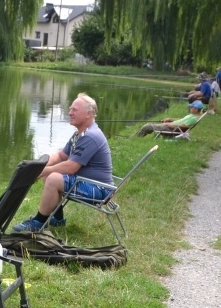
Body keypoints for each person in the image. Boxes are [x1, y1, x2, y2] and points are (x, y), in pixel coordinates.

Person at [12, 93, 113, 232]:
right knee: (50, 175)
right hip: (85, 182)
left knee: (53, 178)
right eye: (70, 109)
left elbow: (70, 167)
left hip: (100, 190)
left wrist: (41, 172)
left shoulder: (91, 136)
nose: (70, 112)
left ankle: (38, 222)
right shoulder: (80, 134)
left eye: (74, 110)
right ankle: (58, 218)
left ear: (89, 113)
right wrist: (38, 166)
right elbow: (61, 155)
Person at [132, 100, 204, 137]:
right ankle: (135, 136)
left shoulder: (193, 118)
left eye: (192, 107)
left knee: (148, 126)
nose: (190, 108)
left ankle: (134, 138)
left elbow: (183, 126)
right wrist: (170, 119)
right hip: (170, 127)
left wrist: (168, 124)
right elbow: (181, 120)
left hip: (171, 129)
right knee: (149, 126)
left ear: (196, 109)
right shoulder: (192, 115)